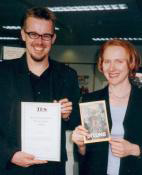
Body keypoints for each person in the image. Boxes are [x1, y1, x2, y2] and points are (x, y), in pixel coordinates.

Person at [0, 6, 80, 175]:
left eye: (46, 36)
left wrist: (67, 115)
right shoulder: (3, 73)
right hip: (11, 168)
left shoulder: (68, 76)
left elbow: (76, 122)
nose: (39, 42)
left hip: (52, 169)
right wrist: (9, 154)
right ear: (23, 34)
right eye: (33, 34)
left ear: (54, 38)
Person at [72, 39, 142, 175]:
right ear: (101, 64)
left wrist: (135, 149)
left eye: (119, 61)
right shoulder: (90, 101)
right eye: (107, 61)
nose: (112, 68)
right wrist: (80, 144)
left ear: (131, 63)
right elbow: (84, 155)